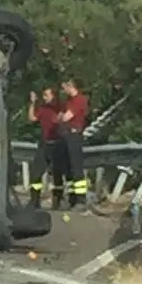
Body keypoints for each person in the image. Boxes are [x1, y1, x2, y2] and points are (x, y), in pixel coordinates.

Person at [26, 88, 67, 209]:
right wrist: (33, 103)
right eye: (43, 95)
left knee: (57, 174)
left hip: (57, 144)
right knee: (35, 173)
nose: (44, 98)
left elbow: (63, 121)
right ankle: (34, 200)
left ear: (54, 96)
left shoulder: (60, 108)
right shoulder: (43, 109)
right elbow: (32, 118)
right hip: (44, 144)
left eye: (47, 95)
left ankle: (57, 200)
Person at [58, 79, 90, 209]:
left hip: (74, 135)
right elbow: (59, 117)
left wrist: (61, 118)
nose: (63, 90)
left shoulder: (79, 100)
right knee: (69, 168)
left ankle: (81, 200)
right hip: (66, 136)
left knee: (76, 168)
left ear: (70, 86)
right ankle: (71, 198)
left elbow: (65, 117)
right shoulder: (68, 101)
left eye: (64, 87)